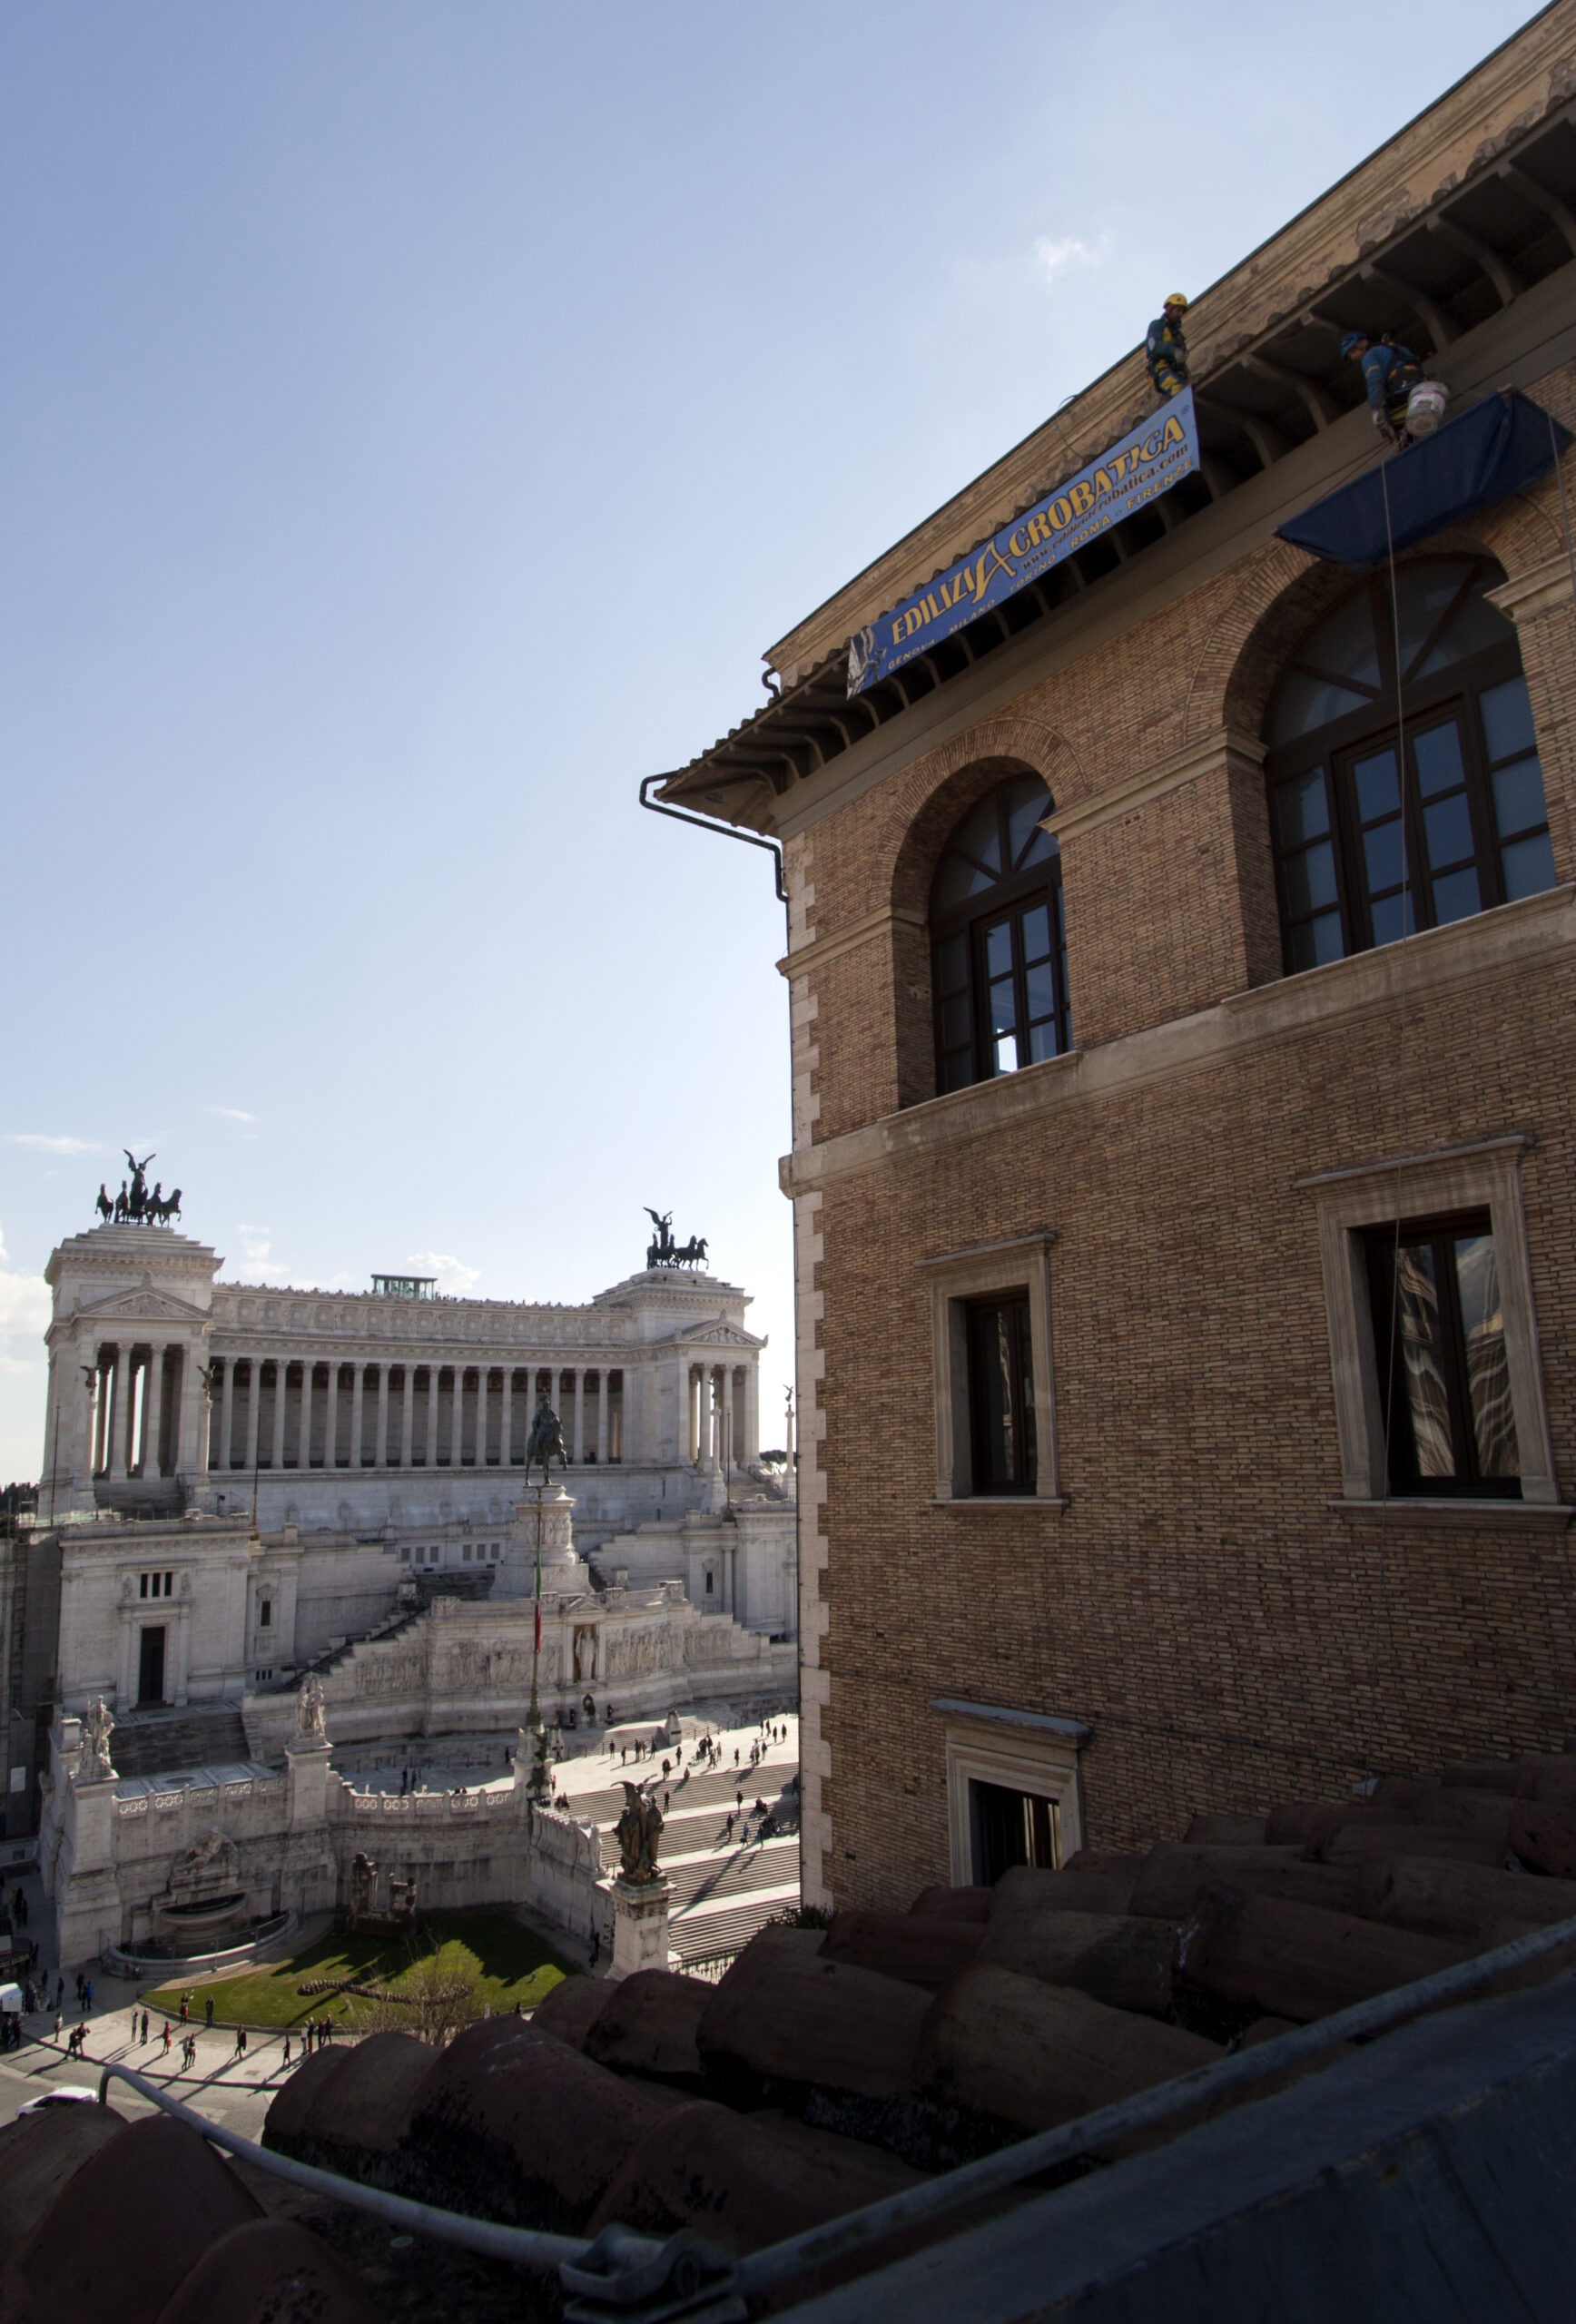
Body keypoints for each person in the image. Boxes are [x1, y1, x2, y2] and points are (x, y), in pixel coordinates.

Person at [1341, 330, 1423, 446]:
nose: (1354, 357)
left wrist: (1375, 409)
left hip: (1400, 392)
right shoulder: (1391, 347)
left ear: (1364, 342)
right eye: (1350, 355)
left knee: (1402, 431)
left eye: (1353, 351)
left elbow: (1375, 381)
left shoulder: (1369, 356)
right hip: (1420, 386)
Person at [1146, 293, 1190, 401]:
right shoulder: (1157, 325)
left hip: (1176, 370)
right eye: (1178, 310)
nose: (1180, 314)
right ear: (1169, 308)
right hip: (1161, 369)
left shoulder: (1178, 336)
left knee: (1187, 389)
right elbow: (1153, 346)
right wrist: (1173, 351)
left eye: (1182, 312)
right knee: (1177, 390)